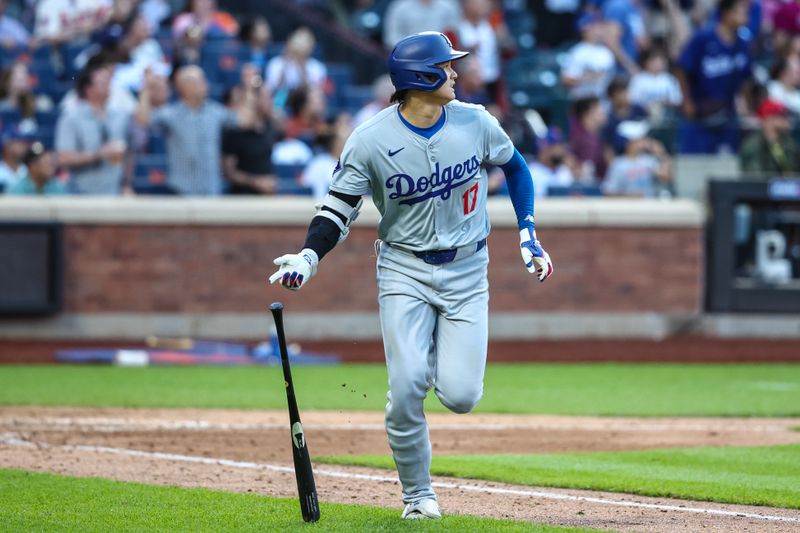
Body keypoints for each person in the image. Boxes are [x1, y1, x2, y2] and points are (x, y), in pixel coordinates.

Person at [268, 31, 553, 520]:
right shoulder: (371, 139)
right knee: (405, 389)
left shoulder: (475, 121)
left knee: (462, 396)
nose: (456, 73)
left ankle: (431, 362)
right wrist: (308, 256)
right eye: (446, 66)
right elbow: (338, 209)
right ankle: (419, 498)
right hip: (404, 268)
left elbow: (516, 167)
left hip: (467, 268)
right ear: (420, 77)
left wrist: (527, 230)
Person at [135, 65, 254, 195]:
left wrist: (249, 89)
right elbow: (143, 119)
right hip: (181, 191)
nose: (205, 84)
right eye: (200, 80)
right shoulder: (172, 114)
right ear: (184, 87)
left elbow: (245, 120)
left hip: (210, 191)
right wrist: (146, 88)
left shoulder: (214, 111)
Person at [675, 0, 753, 153]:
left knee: (726, 166)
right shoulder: (703, 38)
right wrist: (687, 101)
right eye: (741, 12)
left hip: (726, 116)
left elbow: (746, 77)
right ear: (727, 14)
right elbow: (681, 68)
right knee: (694, 165)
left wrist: (744, 103)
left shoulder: (742, 44)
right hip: (699, 116)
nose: (746, 17)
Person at [55, 62, 131, 194]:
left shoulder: (119, 116)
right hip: (82, 193)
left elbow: (130, 153)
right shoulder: (71, 118)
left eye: (109, 81)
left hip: (114, 192)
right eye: (102, 82)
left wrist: (126, 184)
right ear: (88, 89)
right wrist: (99, 154)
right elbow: (63, 158)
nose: (108, 85)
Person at [222, 67, 279, 195]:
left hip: (268, 195)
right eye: (266, 98)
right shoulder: (235, 131)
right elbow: (227, 171)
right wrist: (255, 182)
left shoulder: (269, 125)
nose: (271, 102)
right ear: (255, 99)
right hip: (243, 197)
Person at [603, 120, 674, 197]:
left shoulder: (648, 161)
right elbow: (609, 192)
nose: (643, 141)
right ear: (629, 143)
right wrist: (632, 196)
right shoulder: (618, 164)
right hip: (627, 208)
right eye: (639, 139)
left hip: (649, 207)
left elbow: (667, 177)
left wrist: (661, 153)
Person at [560, 13, 617, 100]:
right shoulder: (577, 52)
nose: (598, 30)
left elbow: (611, 78)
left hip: (604, 101)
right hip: (583, 101)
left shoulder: (606, 52)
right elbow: (565, 80)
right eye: (594, 27)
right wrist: (588, 78)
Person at [739, 99, 800, 176]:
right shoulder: (753, 144)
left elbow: (792, 172)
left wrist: (775, 145)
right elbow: (756, 177)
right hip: (760, 187)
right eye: (782, 116)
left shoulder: (789, 143)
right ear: (768, 119)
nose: (787, 120)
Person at [382, 0, 461, 49]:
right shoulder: (399, 7)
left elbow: (453, 34)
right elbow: (391, 37)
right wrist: (409, 49)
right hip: (407, 56)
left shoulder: (448, 6)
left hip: (440, 55)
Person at [528, 127, 577, 197]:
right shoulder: (532, 172)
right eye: (554, 145)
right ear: (544, 149)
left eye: (560, 145)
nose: (559, 150)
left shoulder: (564, 171)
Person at [569, 95, 609, 181]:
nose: (603, 114)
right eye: (599, 111)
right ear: (589, 112)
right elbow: (585, 173)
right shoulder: (585, 139)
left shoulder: (593, 136)